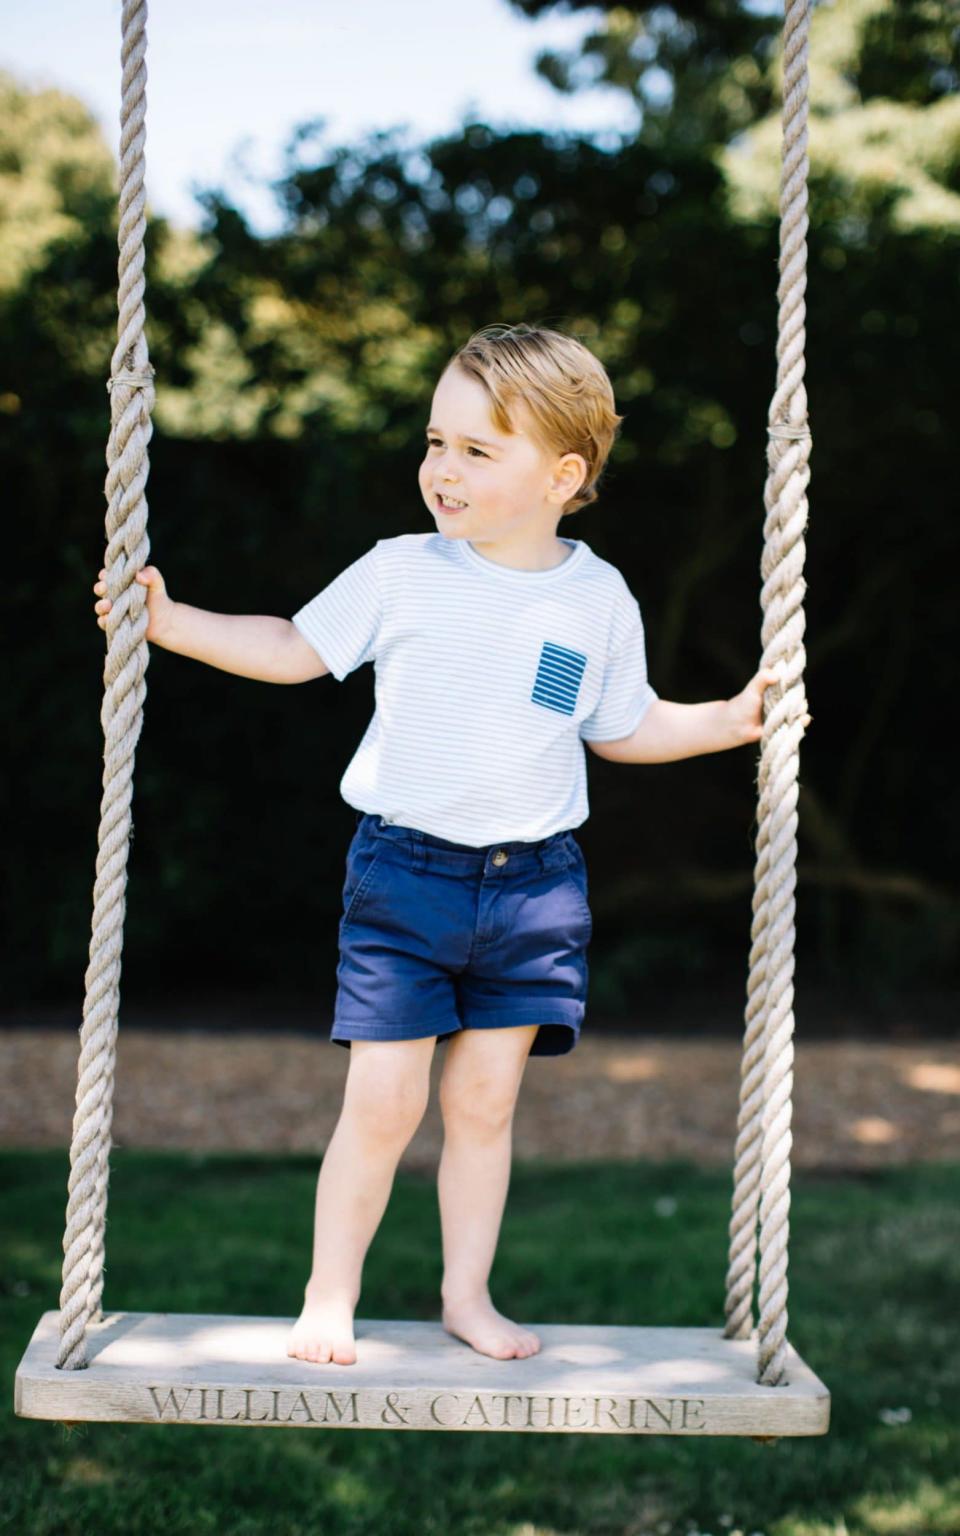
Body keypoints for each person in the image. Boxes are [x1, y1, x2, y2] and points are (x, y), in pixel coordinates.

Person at [93, 322, 800, 1371]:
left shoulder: (594, 599)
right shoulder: (402, 574)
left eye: (478, 450)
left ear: (564, 474)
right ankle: (329, 1297)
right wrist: (172, 621)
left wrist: (731, 719)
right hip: (406, 873)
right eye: (436, 443)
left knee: (486, 1101)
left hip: (535, 890)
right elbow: (293, 648)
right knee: (384, 1099)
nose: (443, 470)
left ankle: (466, 1295)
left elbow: (621, 727)